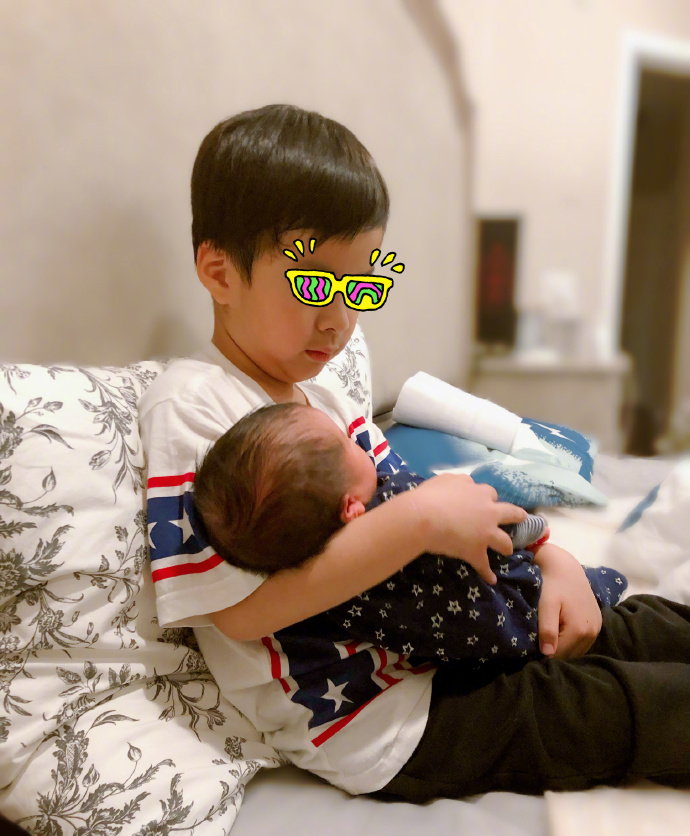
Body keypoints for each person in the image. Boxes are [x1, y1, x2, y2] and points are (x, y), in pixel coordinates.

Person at [140, 103, 690, 800]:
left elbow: (420, 498)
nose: (340, 321)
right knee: (620, 707)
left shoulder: (326, 394)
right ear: (220, 273)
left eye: (358, 286)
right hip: (387, 716)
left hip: (465, 630)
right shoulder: (192, 404)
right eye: (315, 284)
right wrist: (421, 522)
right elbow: (239, 612)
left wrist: (554, 560)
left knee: (642, 627)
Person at [193, 401, 627, 665]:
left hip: (501, 651)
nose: (359, 443)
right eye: (347, 444)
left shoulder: (331, 601)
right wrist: (543, 539)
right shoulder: (398, 498)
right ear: (351, 507)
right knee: (641, 629)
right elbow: (503, 525)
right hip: (537, 601)